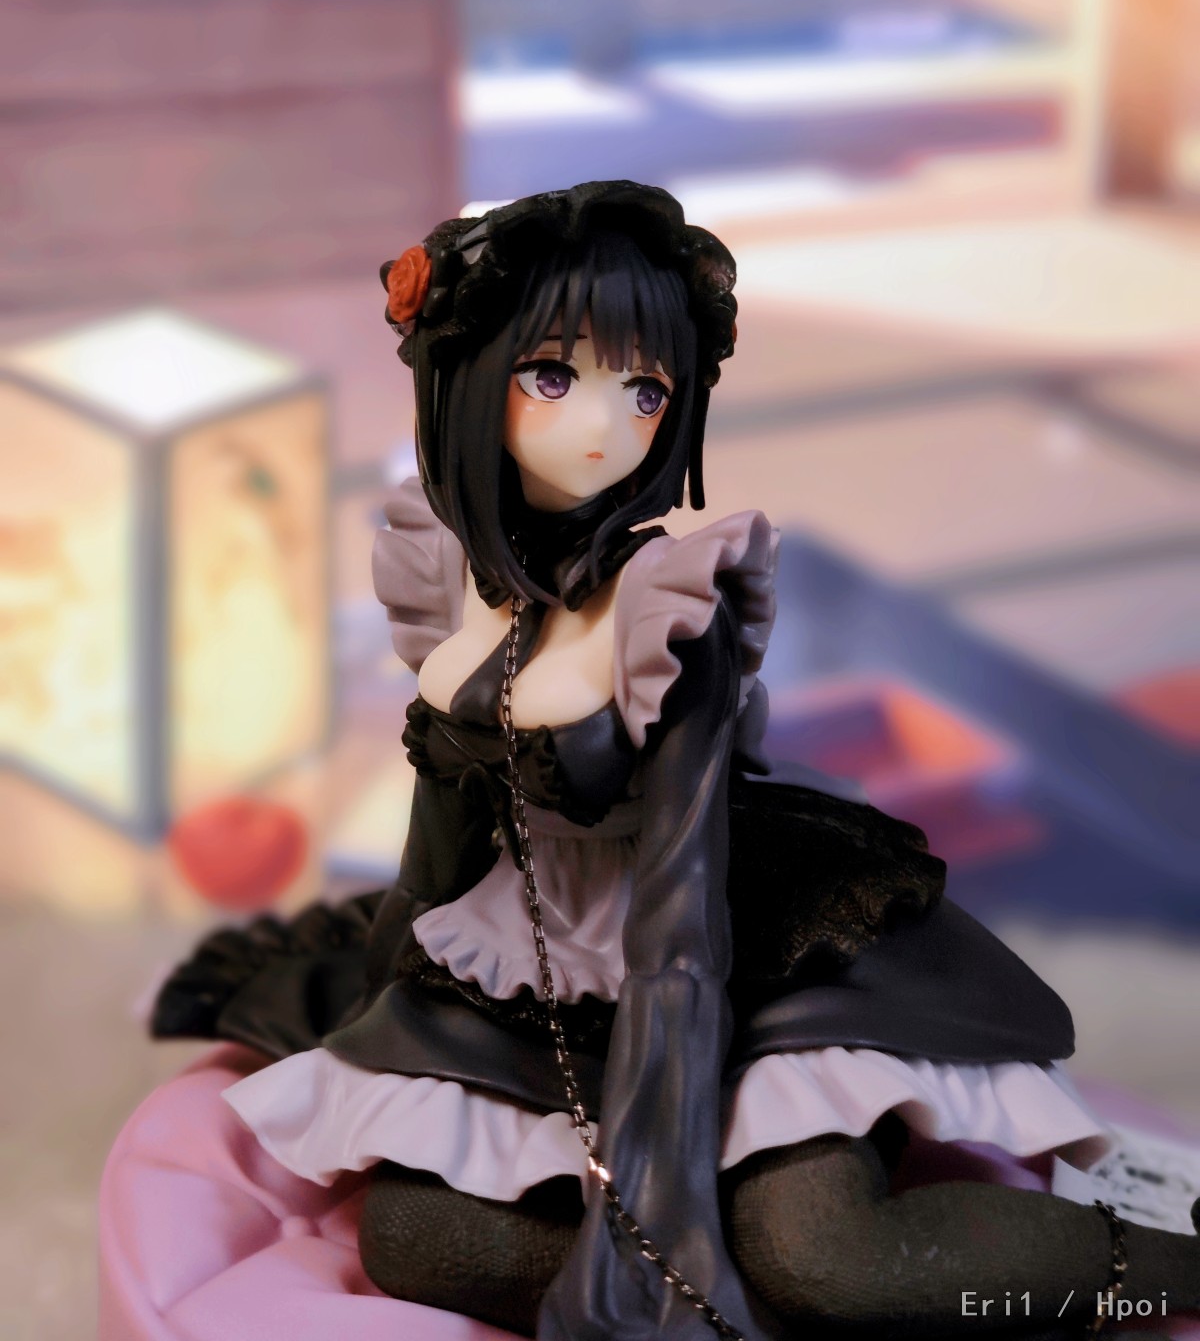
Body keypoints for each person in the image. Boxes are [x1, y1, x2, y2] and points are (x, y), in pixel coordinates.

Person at [152, 180, 1200, 1341]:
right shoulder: (445, 579)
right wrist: (380, 1013)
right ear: (469, 371)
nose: (604, 425)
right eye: (554, 375)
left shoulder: (668, 610)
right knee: (418, 1238)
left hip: (730, 961)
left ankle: (1166, 1262)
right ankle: (721, 1300)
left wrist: (663, 1206)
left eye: (644, 388)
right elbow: (439, 848)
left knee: (823, 1255)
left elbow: (680, 923)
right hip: (534, 968)